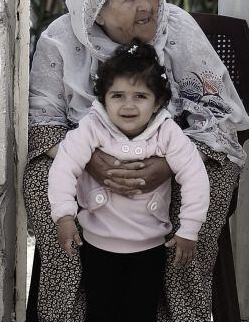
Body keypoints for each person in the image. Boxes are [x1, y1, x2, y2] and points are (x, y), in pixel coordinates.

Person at [25, 0, 249, 322]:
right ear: (97, 6)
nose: (146, 6)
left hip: (174, 147)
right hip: (85, 151)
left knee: (209, 178)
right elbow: (41, 121)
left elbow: (220, 112)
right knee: (42, 182)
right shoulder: (60, 39)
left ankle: (180, 313)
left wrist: (167, 163)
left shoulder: (175, 29)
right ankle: (68, 313)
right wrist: (93, 161)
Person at [48, 41, 210, 322]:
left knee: (140, 311)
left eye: (140, 96)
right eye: (118, 95)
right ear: (103, 98)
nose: (128, 105)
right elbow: (64, 166)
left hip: (149, 247)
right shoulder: (92, 127)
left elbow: (195, 175)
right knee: (100, 311)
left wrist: (190, 229)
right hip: (98, 245)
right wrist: (63, 216)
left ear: (157, 102)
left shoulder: (167, 133)